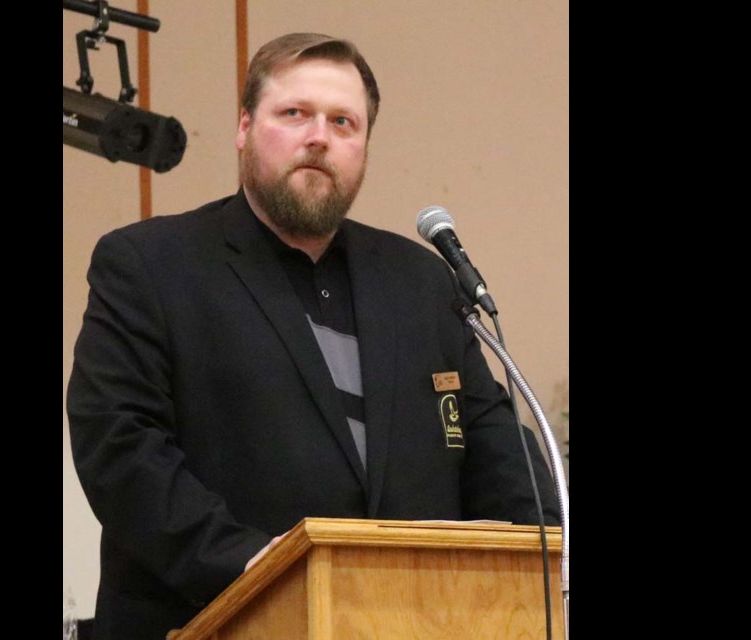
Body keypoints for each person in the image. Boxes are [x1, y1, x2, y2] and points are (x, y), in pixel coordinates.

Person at [67, 32, 559, 640]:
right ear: (244, 128)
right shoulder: (150, 264)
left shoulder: (422, 282)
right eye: (294, 113)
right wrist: (255, 565)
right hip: (210, 619)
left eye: (344, 122)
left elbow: (494, 443)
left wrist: (544, 546)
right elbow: (119, 448)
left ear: (365, 148)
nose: (319, 136)